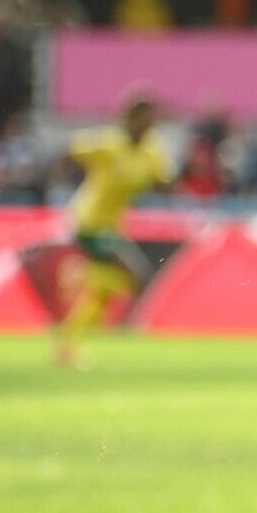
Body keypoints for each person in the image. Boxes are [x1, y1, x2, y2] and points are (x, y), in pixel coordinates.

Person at [53, 94, 174, 369]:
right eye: (147, 119)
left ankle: (68, 346)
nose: (150, 126)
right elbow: (70, 151)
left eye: (153, 121)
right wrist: (55, 184)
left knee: (104, 292)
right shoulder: (109, 143)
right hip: (88, 222)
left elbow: (162, 184)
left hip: (111, 227)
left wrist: (181, 180)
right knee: (136, 275)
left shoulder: (152, 152)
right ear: (132, 118)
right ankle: (81, 276)